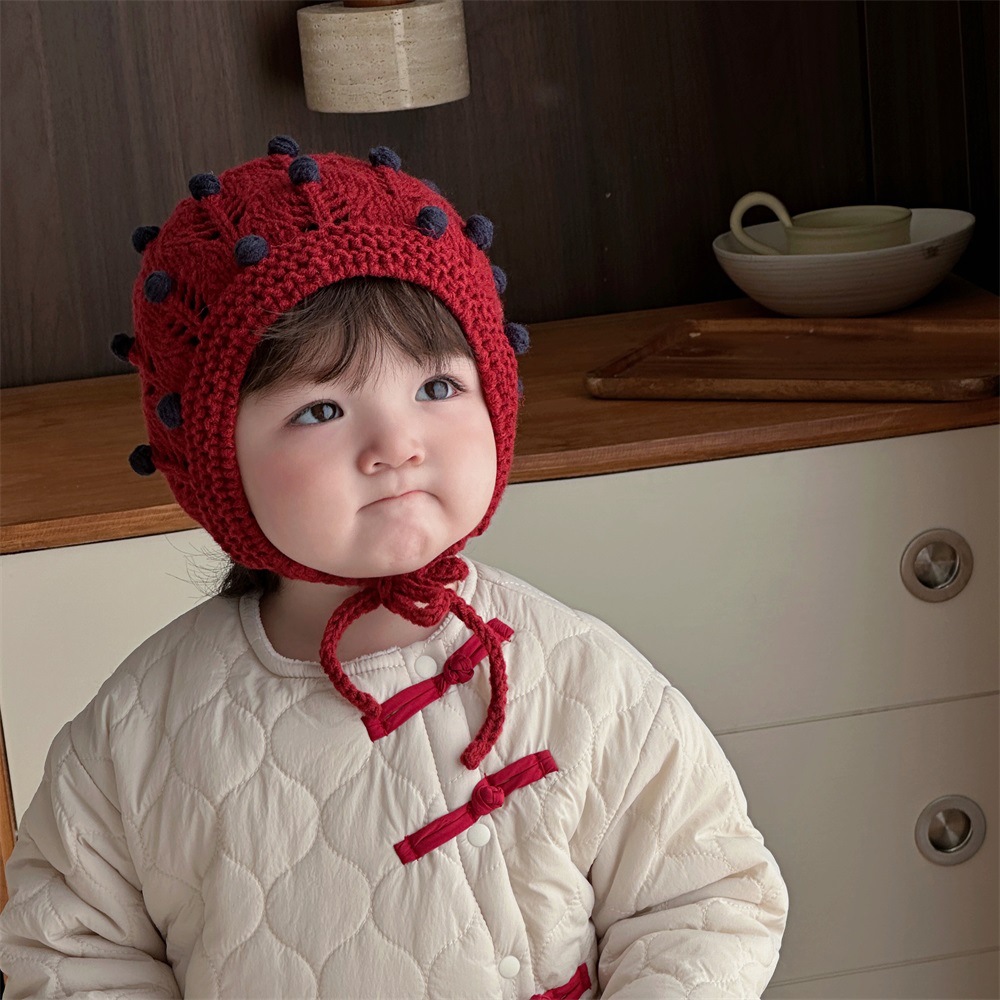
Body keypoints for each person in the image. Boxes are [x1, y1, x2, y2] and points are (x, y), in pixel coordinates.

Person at [0, 137, 788, 999]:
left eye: (437, 389)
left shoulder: (585, 682)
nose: (396, 446)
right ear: (213, 455)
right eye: (323, 408)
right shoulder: (136, 733)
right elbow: (69, 955)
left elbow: (705, 898)